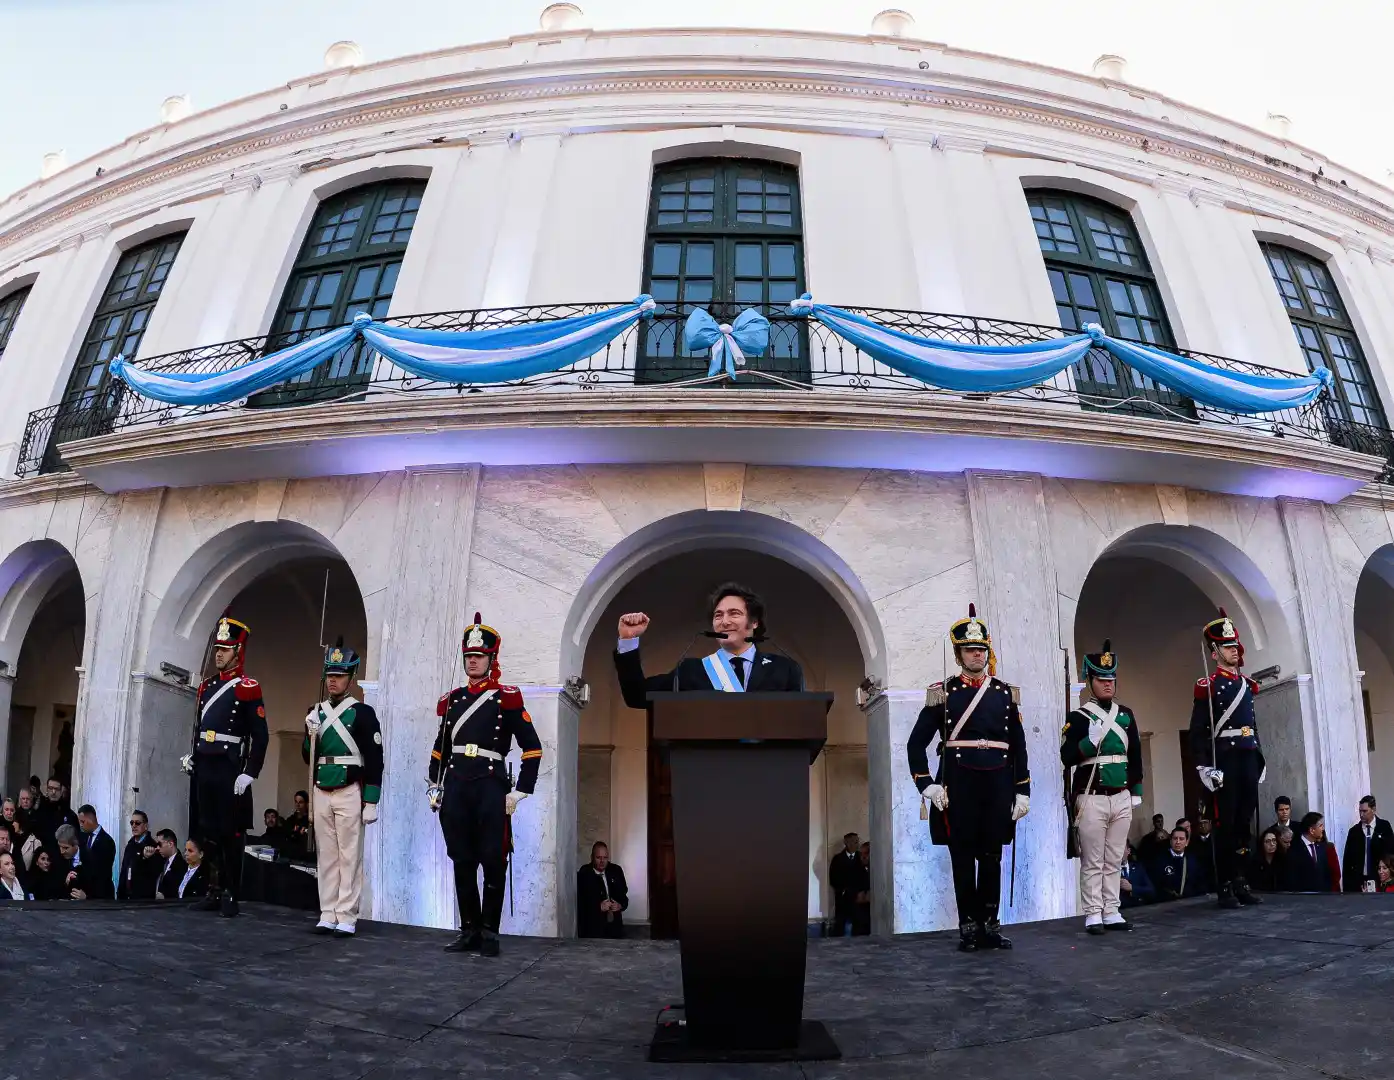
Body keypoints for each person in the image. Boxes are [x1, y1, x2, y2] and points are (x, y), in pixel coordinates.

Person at [908, 604, 1030, 952]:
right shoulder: (943, 693)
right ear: (959, 654)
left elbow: (1018, 747)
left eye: (981, 649)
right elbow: (916, 744)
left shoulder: (1004, 693)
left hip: (997, 785)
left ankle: (991, 925)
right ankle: (969, 928)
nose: (977, 655)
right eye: (970, 650)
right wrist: (927, 784)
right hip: (958, 785)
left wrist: (1023, 791)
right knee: (962, 858)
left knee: (992, 856)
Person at [428, 614, 542, 958]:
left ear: (492, 659)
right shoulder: (453, 700)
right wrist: (434, 784)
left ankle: (490, 932)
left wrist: (520, 790)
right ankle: (469, 930)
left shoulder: (505, 697)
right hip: (457, 785)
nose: (473, 660)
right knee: (462, 860)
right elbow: (440, 747)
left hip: (491, 786)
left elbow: (532, 746)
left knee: (493, 859)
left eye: (479, 655)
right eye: (468, 655)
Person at [180, 615, 269, 917]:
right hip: (206, 765)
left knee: (231, 833)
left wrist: (250, 772)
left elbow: (261, 735)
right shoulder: (206, 686)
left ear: (238, 653)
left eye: (226, 649)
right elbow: (199, 727)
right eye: (218, 647)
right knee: (209, 831)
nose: (219, 653)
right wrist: (193, 753)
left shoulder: (247, 687)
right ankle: (213, 889)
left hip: (230, 768)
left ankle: (231, 892)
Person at [1060, 641, 1144, 935]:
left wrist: (1136, 791)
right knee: (1093, 859)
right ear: (1090, 682)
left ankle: (1112, 910)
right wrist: (1088, 742)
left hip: (1120, 795)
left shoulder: (1126, 715)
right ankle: (1093, 912)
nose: (1108, 685)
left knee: (1115, 857)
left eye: (1111, 680)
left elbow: (1135, 756)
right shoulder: (1079, 718)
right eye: (1102, 680)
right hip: (1092, 795)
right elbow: (1066, 756)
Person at [303, 638, 384, 937]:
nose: (333, 681)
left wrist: (371, 799)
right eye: (330, 676)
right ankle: (327, 912)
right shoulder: (317, 711)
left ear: (351, 677)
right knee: (327, 855)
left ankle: (347, 914)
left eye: (339, 676)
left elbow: (375, 758)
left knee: (350, 854)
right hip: (322, 787)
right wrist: (308, 733)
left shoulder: (362, 713)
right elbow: (306, 757)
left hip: (350, 788)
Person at [612, 582, 804, 705]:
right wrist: (628, 640)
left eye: (734, 613)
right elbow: (636, 695)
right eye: (718, 615)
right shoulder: (691, 670)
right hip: (705, 767)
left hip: (771, 766)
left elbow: (804, 721)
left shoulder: (785, 669)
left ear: (754, 622)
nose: (724, 621)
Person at [1189, 608, 1264, 909]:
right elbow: (1198, 731)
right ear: (1215, 651)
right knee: (1227, 824)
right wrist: (1204, 766)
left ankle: (1242, 880)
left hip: (1247, 757)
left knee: (1244, 823)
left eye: (1235, 646)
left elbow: (1254, 724)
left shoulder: (1247, 684)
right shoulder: (1208, 686)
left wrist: (1260, 756)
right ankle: (1225, 884)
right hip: (1226, 759)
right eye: (1229, 647)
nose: (1235, 651)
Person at [1342, 795, 1394, 894]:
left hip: (1380, 880)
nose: (1361, 814)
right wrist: (1346, 887)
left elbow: (1391, 854)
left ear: (1373, 809)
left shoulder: (1384, 827)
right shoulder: (1354, 831)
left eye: (1365, 811)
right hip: (1358, 881)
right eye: (1360, 811)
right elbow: (1347, 861)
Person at [576, 841, 629, 938]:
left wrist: (620, 905)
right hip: (593, 931)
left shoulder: (616, 870)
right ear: (592, 857)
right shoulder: (584, 874)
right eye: (598, 858)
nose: (602, 861)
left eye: (605, 858)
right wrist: (598, 907)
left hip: (615, 930)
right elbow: (580, 905)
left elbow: (624, 898)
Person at [1284, 811, 1341, 893]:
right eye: (1320, 826)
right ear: (1312, 830)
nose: (1323, 829)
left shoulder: (1322, 847)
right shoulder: (1294, 850)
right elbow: (1292, 880)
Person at [74, 804, 116, 900]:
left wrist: (89, 896)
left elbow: (102, 874)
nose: (80, 825)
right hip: (85, 894)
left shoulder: (107, 841)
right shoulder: (84, 838)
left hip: (101, 897)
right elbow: (83, 864)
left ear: (91, 819)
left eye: (82, 821)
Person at [117, 810, 161, 900]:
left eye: (137, 823)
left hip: (142, 901)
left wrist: (145, 857)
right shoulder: (130, 845)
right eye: (131, 823)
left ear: (145, 826)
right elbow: (124, 872)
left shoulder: (152, 846)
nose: (134, 826)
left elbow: (154, 873)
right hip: (126, 898)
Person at [1154, 827, 1204, 901]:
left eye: (1181, 839)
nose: (1178, 842)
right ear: (1170, 841)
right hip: (1165, 904)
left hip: (1189, 903)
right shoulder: (1160, 860)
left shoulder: (1193, 860)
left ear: (1187, 842)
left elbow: (1199, 883)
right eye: (1175, 838)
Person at [828, 832, 861, 936]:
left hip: (858, 898)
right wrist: (842, 890)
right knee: (840, 924)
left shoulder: (861, 857)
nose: (857, 844)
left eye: (857, 841)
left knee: (858, 924)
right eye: (854, 842)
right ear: (846, 843)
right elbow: (833, 877)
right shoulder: (837, 859)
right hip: (842, 898)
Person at [33, 777, 78, 853]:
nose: (53, 792)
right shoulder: (39, 812)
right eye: (50, 788)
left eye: (56, 789)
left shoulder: (69, 814)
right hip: (44, 856)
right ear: (47, 790)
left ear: (61, 791)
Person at [1118, 841, 1154, 908]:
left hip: (1138, 909)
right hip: (1118, 911)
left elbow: (1151, 890)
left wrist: (1132, 888)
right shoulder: (1107, 871)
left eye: (1121, 848)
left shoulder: (1138, 867)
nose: (1118, 852)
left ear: (1128, 851)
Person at [153, 830, 186, 899]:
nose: (157, 848)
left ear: (170, 844)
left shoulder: (181, 865)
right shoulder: (161, 861)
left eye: (160, 844)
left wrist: (165, 896)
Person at [851, 841, 872, 935]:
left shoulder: (880, 871)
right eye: (861, 854)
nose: (863, 857)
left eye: (866, 853)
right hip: (860, 917)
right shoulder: (856, 871)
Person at [283, 792, 312, 857]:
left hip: (306, 856)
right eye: (296, 802)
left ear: (306, 803)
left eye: (300, 802)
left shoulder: (310, 820)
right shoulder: (290, 819)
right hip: (291, 855)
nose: (297, 805)